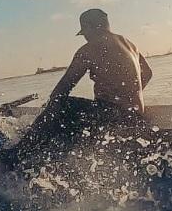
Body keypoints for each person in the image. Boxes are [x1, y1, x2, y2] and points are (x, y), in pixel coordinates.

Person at [13, 9, 153, 160]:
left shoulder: (89, 49)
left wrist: (46, 114)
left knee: (61, 105)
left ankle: (16, 156)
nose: (85, 37)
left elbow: (63, 88)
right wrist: (125, 95)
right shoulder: (130, 44)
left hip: (113, 117)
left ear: (90, 27)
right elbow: (148, 73)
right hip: (136, 117)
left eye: (84, 32)